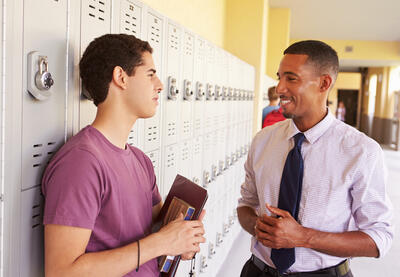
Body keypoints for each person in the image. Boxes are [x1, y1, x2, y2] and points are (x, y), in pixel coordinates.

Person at [42, 34, 205, 277]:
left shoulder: (141, 160)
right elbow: (61, 272)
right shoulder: (81, 163)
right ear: (120, 78)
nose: (160, 85)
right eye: (150, 74)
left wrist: (182, 239)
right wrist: (162, 242)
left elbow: (157, 232)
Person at [238, 40, 393, 277]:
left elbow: (378, 238)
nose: (279, 88)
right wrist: (257, 226)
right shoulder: (263, 141)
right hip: (257, 271)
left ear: (324, 83)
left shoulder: (362, 151)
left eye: (291, 78)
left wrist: (303, 237)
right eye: (279, 77)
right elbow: (246, 205)